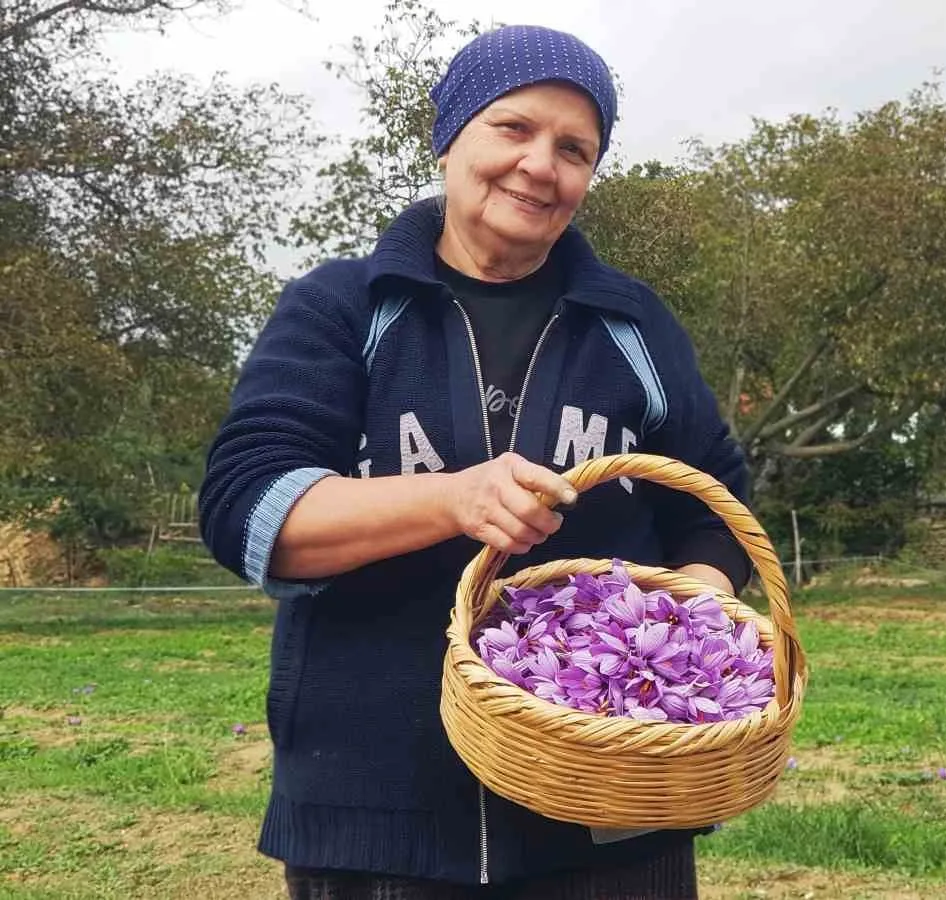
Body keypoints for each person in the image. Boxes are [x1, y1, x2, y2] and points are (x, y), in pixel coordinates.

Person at [198, 24, 751, 899]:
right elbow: (249, 508)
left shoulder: (633, 325)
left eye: (576, 148)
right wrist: (454, 499)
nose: (542, 165)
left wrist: (697, 621)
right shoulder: (344, 307)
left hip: (609, 811)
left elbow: (713, 496)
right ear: (451, 136)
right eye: (514, 128)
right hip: (377, 813)